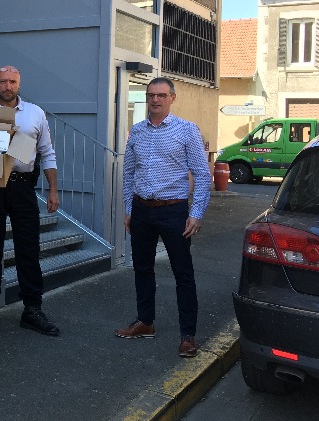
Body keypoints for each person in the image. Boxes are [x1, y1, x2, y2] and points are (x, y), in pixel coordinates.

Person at [115, 77, 211, 358]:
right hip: (141, 210)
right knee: (142, 268)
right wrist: (129, 209)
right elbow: (129, 173)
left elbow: (202, 174)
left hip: (173, 211)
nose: (155, 100)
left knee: (183, 273)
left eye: (161, 95)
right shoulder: (137, 131)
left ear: (172, 98)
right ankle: (145, 322)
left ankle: (188, 335)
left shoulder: (187, 130)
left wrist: (196, 213)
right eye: (151, 95)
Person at [0, 65, 61, 337]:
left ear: (19, 84)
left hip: (23, 187)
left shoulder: (35, 113)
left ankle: (32, 310)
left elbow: (47, 152)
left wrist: (53, 189)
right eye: (3, 81)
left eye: (12, 81)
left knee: (28, 248)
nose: (8, 86)